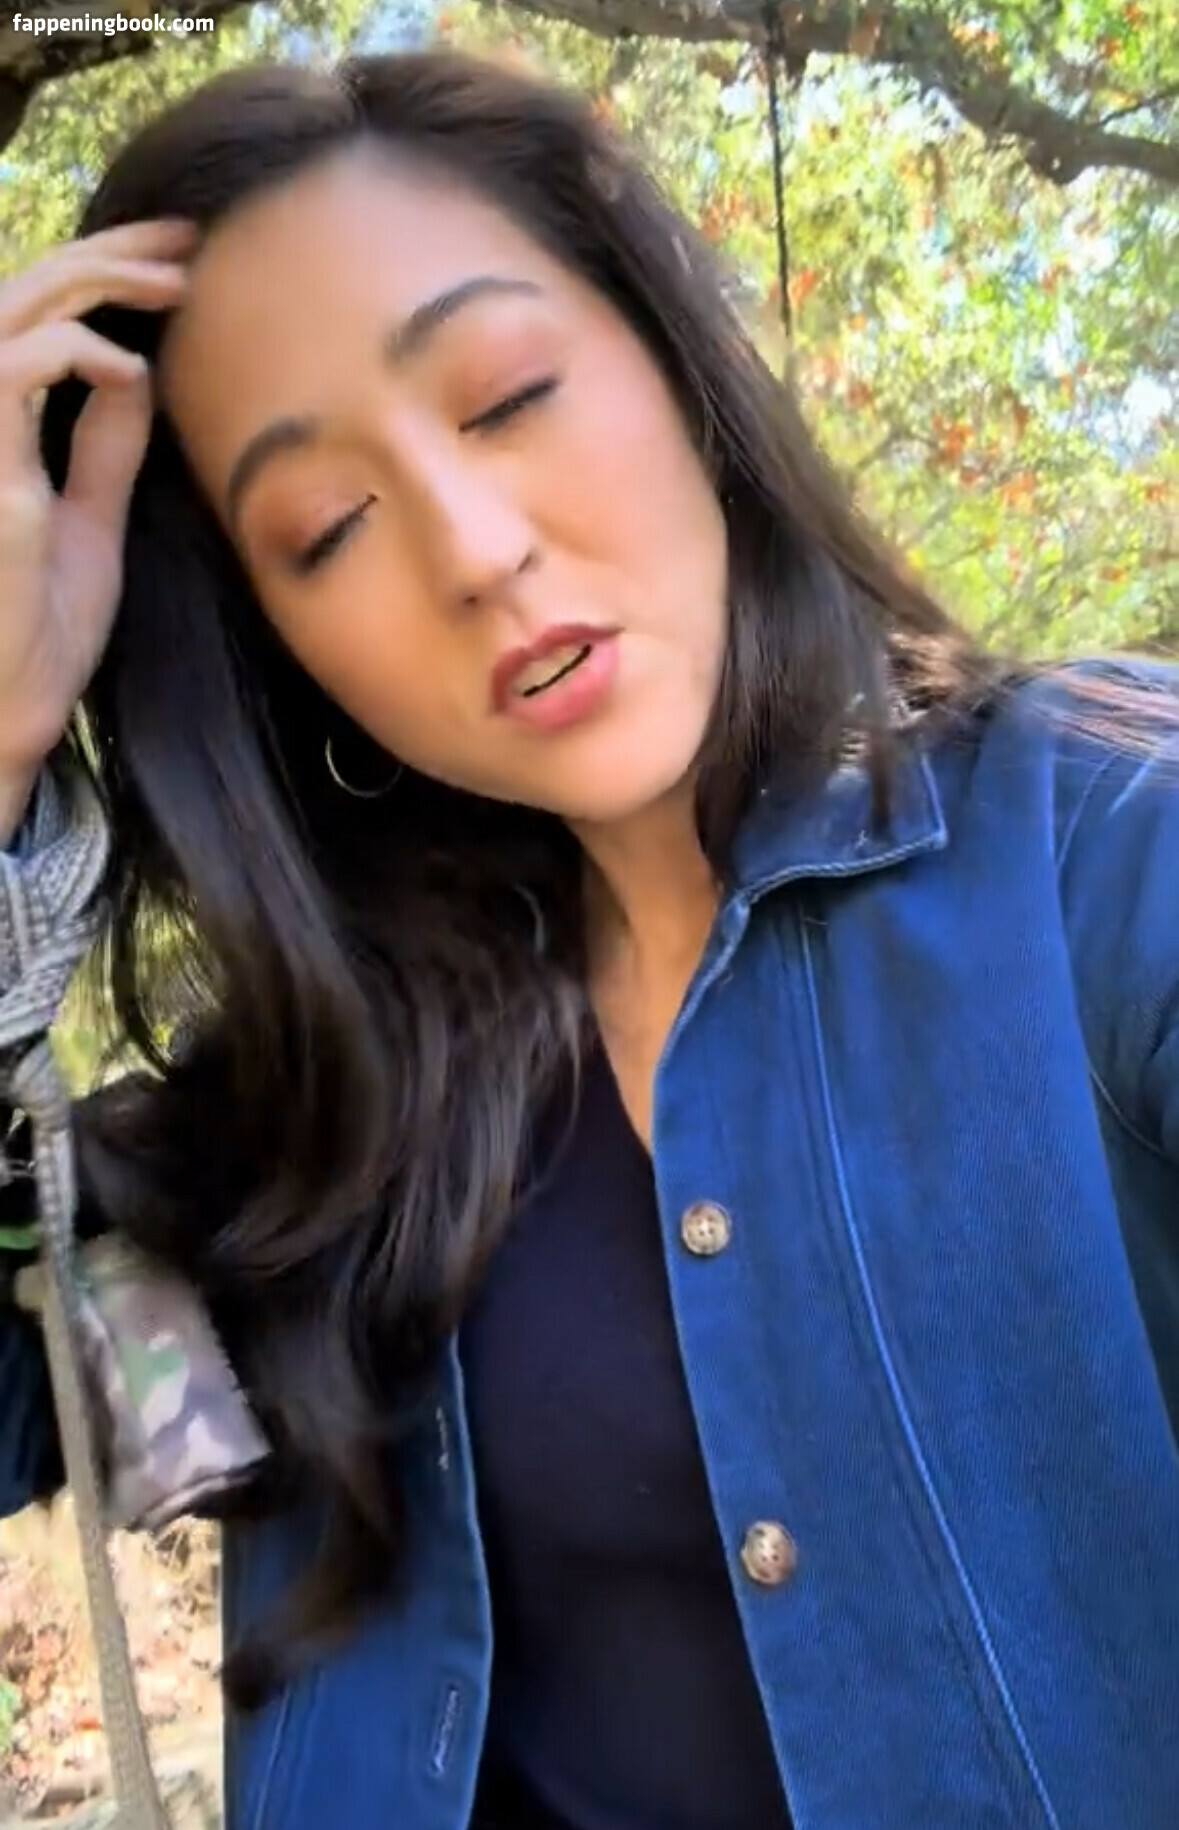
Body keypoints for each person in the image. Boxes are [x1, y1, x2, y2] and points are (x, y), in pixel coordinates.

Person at [0, 46, 1175, 1830]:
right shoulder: (304, 1121)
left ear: (673, 362)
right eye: (327, 528)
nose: (474, 550)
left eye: (507, 396)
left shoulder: (1101, 847)